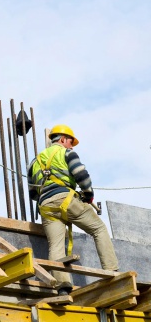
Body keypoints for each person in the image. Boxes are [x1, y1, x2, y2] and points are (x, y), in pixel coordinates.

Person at [28, 124, 118, 295]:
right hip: (66, 200)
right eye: (70, 142)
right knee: (99, 229)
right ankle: (112, 272)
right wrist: (88, 195)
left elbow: (33, 193)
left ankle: (62, 287)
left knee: (55, 245)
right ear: (62, 139)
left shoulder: (35, 162)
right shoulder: (67, 153)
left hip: (46, 206)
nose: (71, 145)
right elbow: (82, 176)